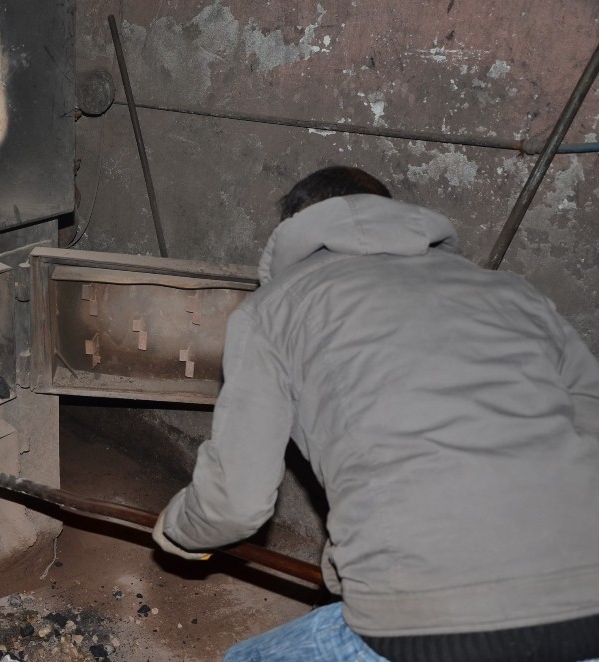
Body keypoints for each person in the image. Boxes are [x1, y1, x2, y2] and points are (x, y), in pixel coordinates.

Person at [152, 166, 599, 662]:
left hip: (430, 624)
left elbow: (234, 503)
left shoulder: (274, 308)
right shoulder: (517, 294)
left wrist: (180, 531)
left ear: (296, 227)